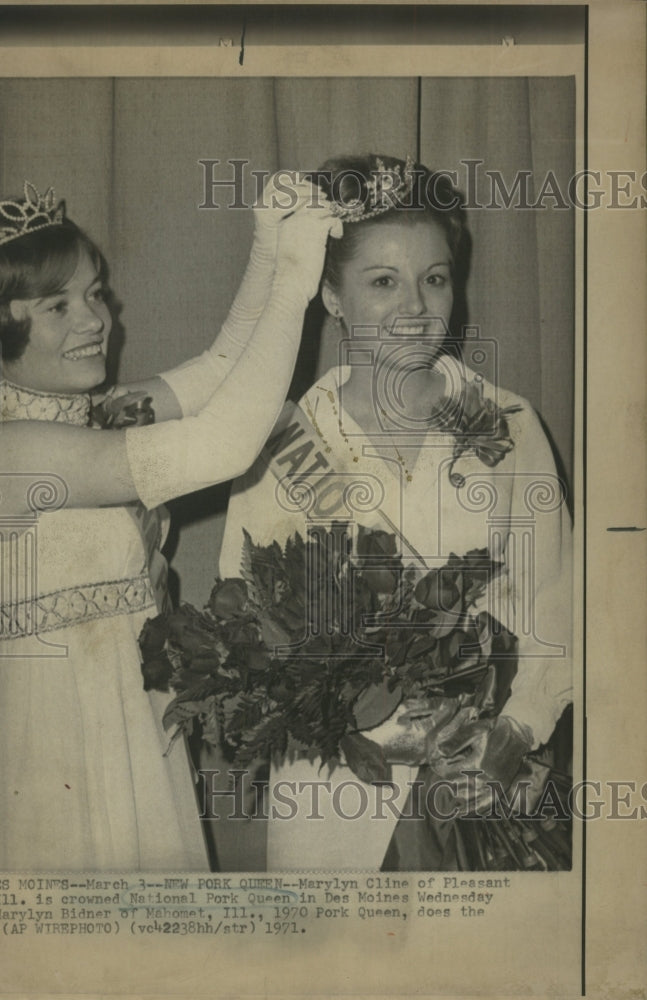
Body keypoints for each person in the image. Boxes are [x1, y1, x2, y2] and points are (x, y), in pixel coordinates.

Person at [0, 177, 341, 870]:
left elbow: (219, 368)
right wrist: (295, 286)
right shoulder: (0, 451)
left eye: (94, 292)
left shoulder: (88, 417)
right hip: (55, 725)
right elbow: (225, 442)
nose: (93, 319)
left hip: (128, 702)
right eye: (56, 305)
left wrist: (269, 247)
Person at [219, 153, 573, 870]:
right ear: (330, 294)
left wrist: (513, 732)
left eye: (433, 279)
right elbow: (245, 632)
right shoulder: (280, 441)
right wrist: (365, 726)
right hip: (333, 798)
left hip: (482, 788)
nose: (415, 308)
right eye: (382, 282)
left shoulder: (505, 423)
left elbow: (558, 603)